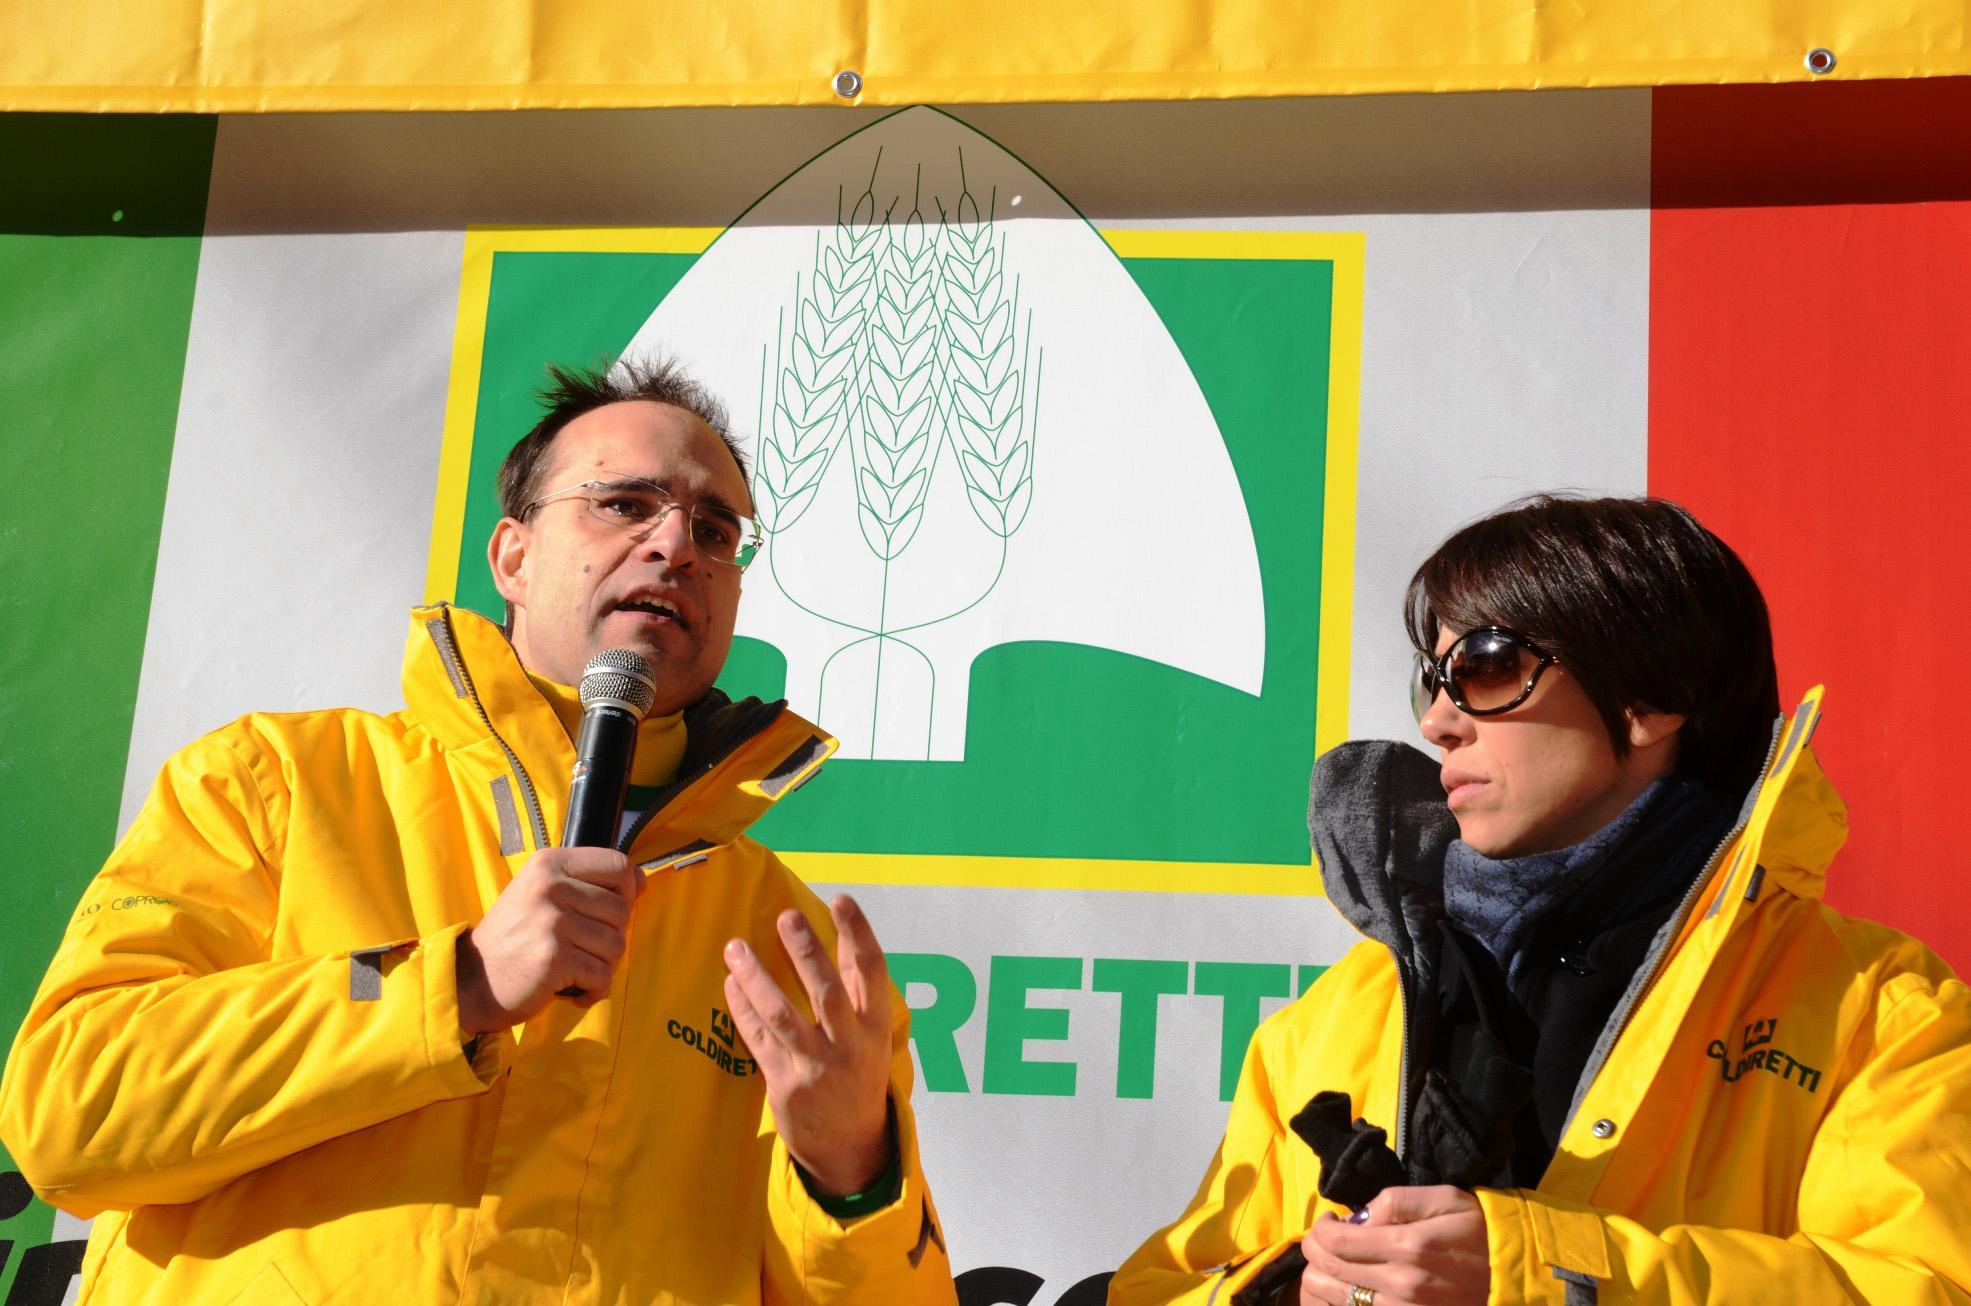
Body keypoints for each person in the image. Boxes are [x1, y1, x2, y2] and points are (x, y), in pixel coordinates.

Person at [0, 358, 958, 1304]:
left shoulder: (794, 948)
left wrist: (851, 1176)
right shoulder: (278, 781)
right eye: (624, 504)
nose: (676, 545)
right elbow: (69, 1113)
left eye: (715, 529)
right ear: (512, 557)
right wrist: (454, 984)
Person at [1109, 495, 1971, 1305]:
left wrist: (1536, 1275)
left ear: (1654, 697)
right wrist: (1288, 1287)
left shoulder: (1880, 1010)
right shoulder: (1329, 1020)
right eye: (1430, 680)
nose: (1438, 720)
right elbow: (1160, 1288)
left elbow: (1929, 1285)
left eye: (1486, 667)